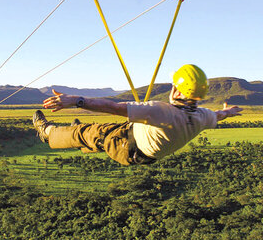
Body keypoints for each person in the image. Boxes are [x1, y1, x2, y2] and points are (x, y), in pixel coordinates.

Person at [32, 64, 243, 165]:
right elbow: (218, 115)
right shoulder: (202, 116)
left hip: (128, 147)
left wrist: (76, 100)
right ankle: (82, 140)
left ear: (177, 91)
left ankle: (47, 132)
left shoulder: (160, 111)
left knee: (88, 132)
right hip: (137, 143)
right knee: (97, 134)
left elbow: (113, 107)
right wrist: (229, 111)